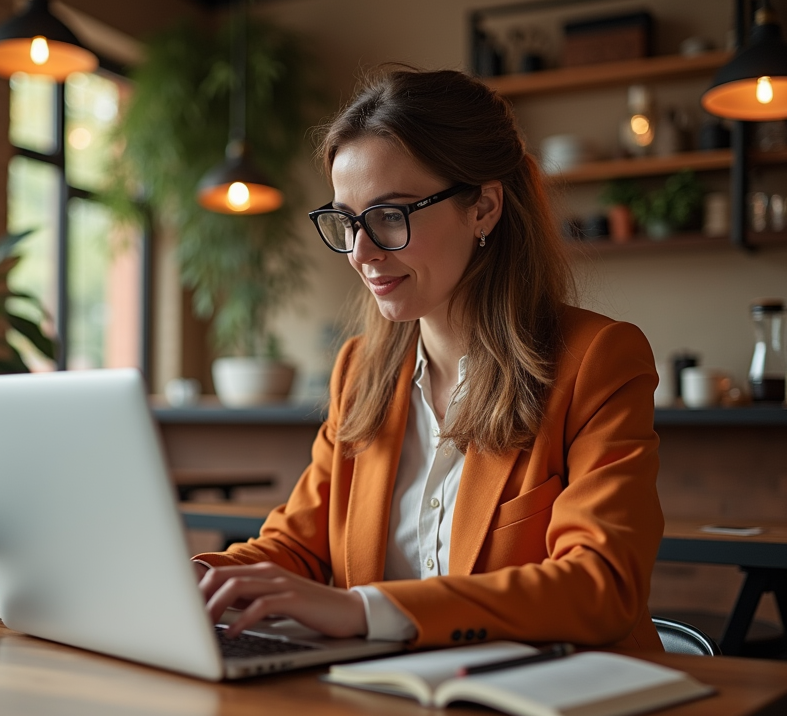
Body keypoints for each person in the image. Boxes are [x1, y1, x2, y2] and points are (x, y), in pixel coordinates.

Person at [194, 68, 664, 652]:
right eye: (347, 219)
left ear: (484, 208)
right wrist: (196, 579)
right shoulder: (361, 370)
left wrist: (362, 610)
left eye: (391, 215)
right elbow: (298, 545)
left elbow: (601, 584)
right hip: (390, 706)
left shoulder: (597, 360)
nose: (361, 252)